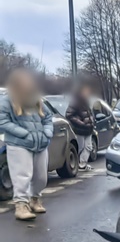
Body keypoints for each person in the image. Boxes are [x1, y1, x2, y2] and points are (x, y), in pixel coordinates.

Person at [0, 69, 53, 221]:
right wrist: (24, 133)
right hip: (19, 144)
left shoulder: (35, 99)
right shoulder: (6, 101)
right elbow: (2, 121)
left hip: (40, 143)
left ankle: (35, 199)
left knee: (41, 177)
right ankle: (21, 205)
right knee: (22, 175)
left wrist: (47, 132)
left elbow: (48, 117)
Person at [65, 80, 95, 172]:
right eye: (86, 91)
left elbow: (89, 114)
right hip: (80, 129)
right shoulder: (75, 102)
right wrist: (81, 122)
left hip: (88, 129)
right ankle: (76, 163)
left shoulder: (86, 101)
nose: (87, 92)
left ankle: (82, 164)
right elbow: (69, 115)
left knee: (88, 147)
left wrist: (92, 121)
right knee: (80, 147)